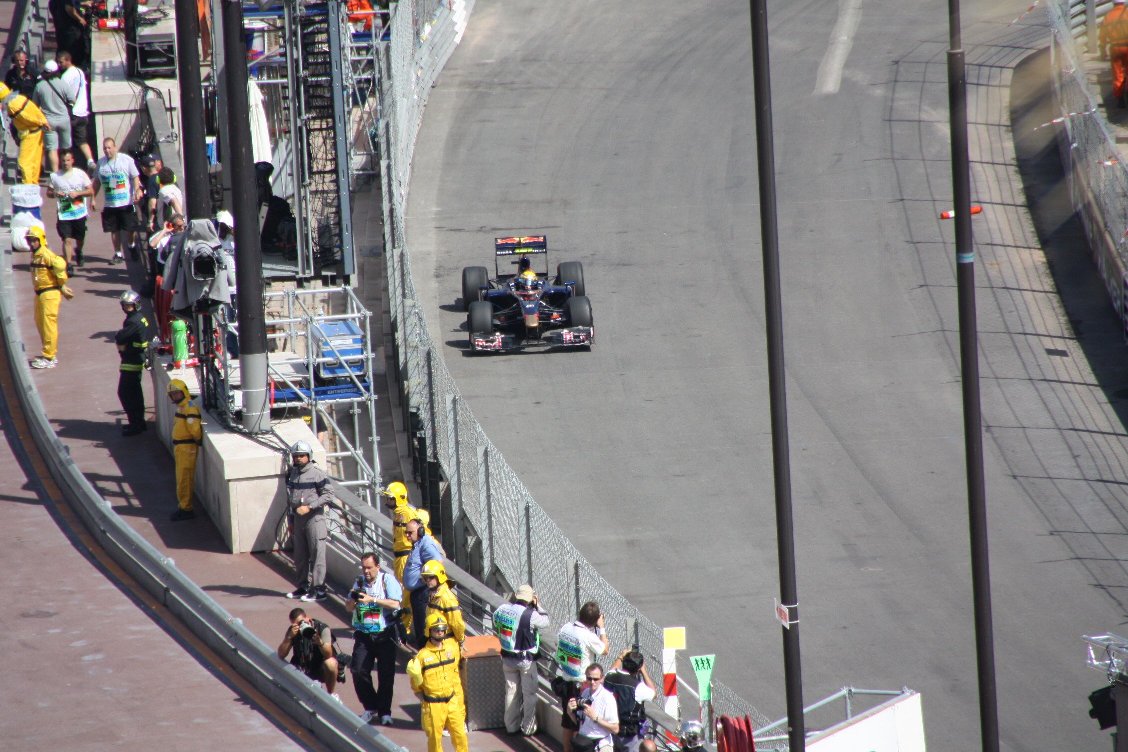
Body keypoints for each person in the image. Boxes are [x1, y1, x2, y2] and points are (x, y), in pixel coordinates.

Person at [347, 552, 402, 726]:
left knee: (386, 674)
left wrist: (373, 599)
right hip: (364, 633)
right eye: (364, 568)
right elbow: (348, 607)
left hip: (385, 633)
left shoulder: (387, 580)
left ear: (378, 566)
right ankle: (371, 706)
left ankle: (385, 711)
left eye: (369, 568)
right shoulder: (359, 582)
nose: (366, 571)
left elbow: (395, 603)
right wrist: (354, 600)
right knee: (358, 669)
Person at [406, 613, 469, 752]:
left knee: (460, 736)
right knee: (435, 739)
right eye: (436, 630)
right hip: (433, 705)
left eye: (442, 629)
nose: (440, 632)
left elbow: (455, 674)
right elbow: (415, 683)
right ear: (429, 631)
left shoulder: (451, 649)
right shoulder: (422, 656)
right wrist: (422, 698)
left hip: (452, 701)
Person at [493, 584, 550, 736]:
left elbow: (495, 623)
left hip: (507, 657)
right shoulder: (530, 614)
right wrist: (539, 605)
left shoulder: (502, 609)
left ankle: (511, 726)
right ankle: (528, 727)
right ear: (530, 599)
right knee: (529, 694)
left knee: (511, 692)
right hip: (525, 661)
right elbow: (545, 622)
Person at [556, 601, 611, 752]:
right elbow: (605, 650)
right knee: (580, 723)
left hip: (566, 681)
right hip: (582, 686)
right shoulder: (588, 635)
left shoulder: (566, 627)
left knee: (567, 722)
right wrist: (601, 627)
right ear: (594, 620)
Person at [284, 440, 333, 602]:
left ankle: (319, 589)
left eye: (302, 455)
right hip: (298, 520)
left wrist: (310, 507)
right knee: (300, 556)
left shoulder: (318, 474)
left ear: (309, 456)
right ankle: (303, 586)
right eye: (296, 456)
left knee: (317, 555)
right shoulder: (293, 474)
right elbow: (290, 500)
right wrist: (291, 521)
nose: (298, 458)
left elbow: (328, 495)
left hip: (314, 519)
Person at [94, 138, 142, 263]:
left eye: (109, 148)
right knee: (114, 230)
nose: (107, 150)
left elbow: (135, 176)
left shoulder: (126, 160)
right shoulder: (101, 163)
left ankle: (131, 245)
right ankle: (118, 253)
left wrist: (137, 190)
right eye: (105, 148)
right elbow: (97, 182)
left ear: (115, 147)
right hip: (110, 203)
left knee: (130, 229)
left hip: (126, 202)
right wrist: (93, 198)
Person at [27, 226, 69, 370]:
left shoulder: (46, 254)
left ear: (41, 240)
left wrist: (62, 284)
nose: (32, 243)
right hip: (39, 293)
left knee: (48, 324)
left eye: (34, 240)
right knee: (39, 322)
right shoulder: (36, 255)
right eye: (30, 240)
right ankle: (48, 352)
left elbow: (60, 264)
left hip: (49, 293)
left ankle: (49, 357)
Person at [277, 607, 340, 698]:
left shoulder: (322, 628)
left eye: (301, 622)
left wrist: (320, 643)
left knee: (331, 663)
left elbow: (328, 654)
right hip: (302, 666)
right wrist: (289, 638)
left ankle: (331, 695)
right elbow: (281, 654)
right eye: (296, 624)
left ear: (307, 618)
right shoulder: (293, 631)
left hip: (319, 666)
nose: (300, 626)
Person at [47, 151, 93, 268]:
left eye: (68, 160)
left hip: (79, 213)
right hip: (64, 214)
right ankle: (68, 264)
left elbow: (90, 191)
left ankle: (79, 251)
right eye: (63, 161)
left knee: (80, 238)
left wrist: (78, 193)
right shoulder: (55, 176)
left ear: (72, 160)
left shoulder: (80, 174)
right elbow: (49, 193)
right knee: (66, 239)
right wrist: (55, 193)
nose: (65, 163)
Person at [115, 290, 152, 434]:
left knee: (125, 393)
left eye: (129, 305)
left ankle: (135, 424)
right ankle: (139, 422)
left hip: (132, 359)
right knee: (135, 393)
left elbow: (120, 337)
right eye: (125, 305)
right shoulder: (139, 318)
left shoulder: (133, 321)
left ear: (136, 305)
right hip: (134, 358)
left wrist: (121, 341)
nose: (126, 308)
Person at [604, 650, 656, 752]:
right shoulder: (637, 687)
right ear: (638, 669)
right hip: (629, 733)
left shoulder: (609, 677)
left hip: (609, 728)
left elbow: (612, 670)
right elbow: (653, 693)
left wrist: (621, 656)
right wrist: (644, 671)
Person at [402, 517, 443, 648]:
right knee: (419, 626)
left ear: (420, 531)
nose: (407, 536)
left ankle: (424, 652)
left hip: (423, 592)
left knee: (422, 627)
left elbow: (437, 562)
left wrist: (424, 578)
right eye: (406, 533)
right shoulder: (417, 544)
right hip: (417, 593)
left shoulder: (425, 544)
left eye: (410, 533)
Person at [167, 378, 202, 522]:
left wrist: (197, 440)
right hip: (181, 448)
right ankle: (184, 506)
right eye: (172, 394)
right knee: (182, 478)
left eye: (177, 393)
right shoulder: (182, 407)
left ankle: (186, 509)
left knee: (184, 479)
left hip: (187, 448)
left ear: (184, 392)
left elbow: (195, 429)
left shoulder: (189, 408)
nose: (175, 396)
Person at [0, 82, 48, 185]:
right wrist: (43, 121)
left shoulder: (12, 106)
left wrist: (41, 122)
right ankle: (33, 183)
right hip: (37, 131)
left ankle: (28, 184)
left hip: (29, 134)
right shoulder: (19, 98)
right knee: (34, 161)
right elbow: (33, 108)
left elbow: (26, 117)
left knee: (24, 162)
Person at [567, 663, 619, 752]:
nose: (592, 682)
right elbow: (579, 722)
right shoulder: (585, 693)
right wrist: (569, 712)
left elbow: (615, 729)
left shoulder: (608, 698)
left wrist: (596, 718)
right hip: (583, 742)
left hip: (600, 744)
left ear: (602, 678)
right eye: (589, 678)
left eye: (596, 679)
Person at [56, 51, 94, 170]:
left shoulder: (66, 76)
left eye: (61, 62)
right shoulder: (79, 71)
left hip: (72, 114)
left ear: (68, 60)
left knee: (66, 142)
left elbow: (63, 95)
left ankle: (67, 165)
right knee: (82, 141)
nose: (59, 65)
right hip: (83, 112)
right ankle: (90, 161)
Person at [33, 60, 70, 175]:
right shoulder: (63, 83)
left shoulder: (39, 86)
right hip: (63, 119)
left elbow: (35, 105)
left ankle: (56, 174)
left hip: (48, 121)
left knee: (52, 149)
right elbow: (72, 99)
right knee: (66, 148)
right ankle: (66, 171)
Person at [422, 559, 465, 647]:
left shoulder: (447, 598)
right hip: (434, 641)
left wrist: (461, 640)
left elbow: (456, 623)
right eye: (425, 577)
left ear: (439, 577)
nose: (428, 580)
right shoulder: (434, 594)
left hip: (446, 644)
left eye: (431, 577)